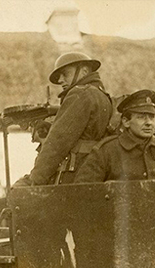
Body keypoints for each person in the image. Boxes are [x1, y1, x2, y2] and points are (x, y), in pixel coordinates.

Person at [14, 52, 113, 187]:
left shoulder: (79, 94)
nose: (60, 80)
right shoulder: (102, 95)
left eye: (65, 74)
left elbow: (57, 142)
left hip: (73, 175)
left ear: (84, 71)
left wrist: (34, 180)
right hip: (93, 174)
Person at [75, 90, 155, 183]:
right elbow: (84, 192)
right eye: (141, 117)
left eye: (152, 117)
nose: (149, 123)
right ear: (126, 122)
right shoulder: (106, 151)